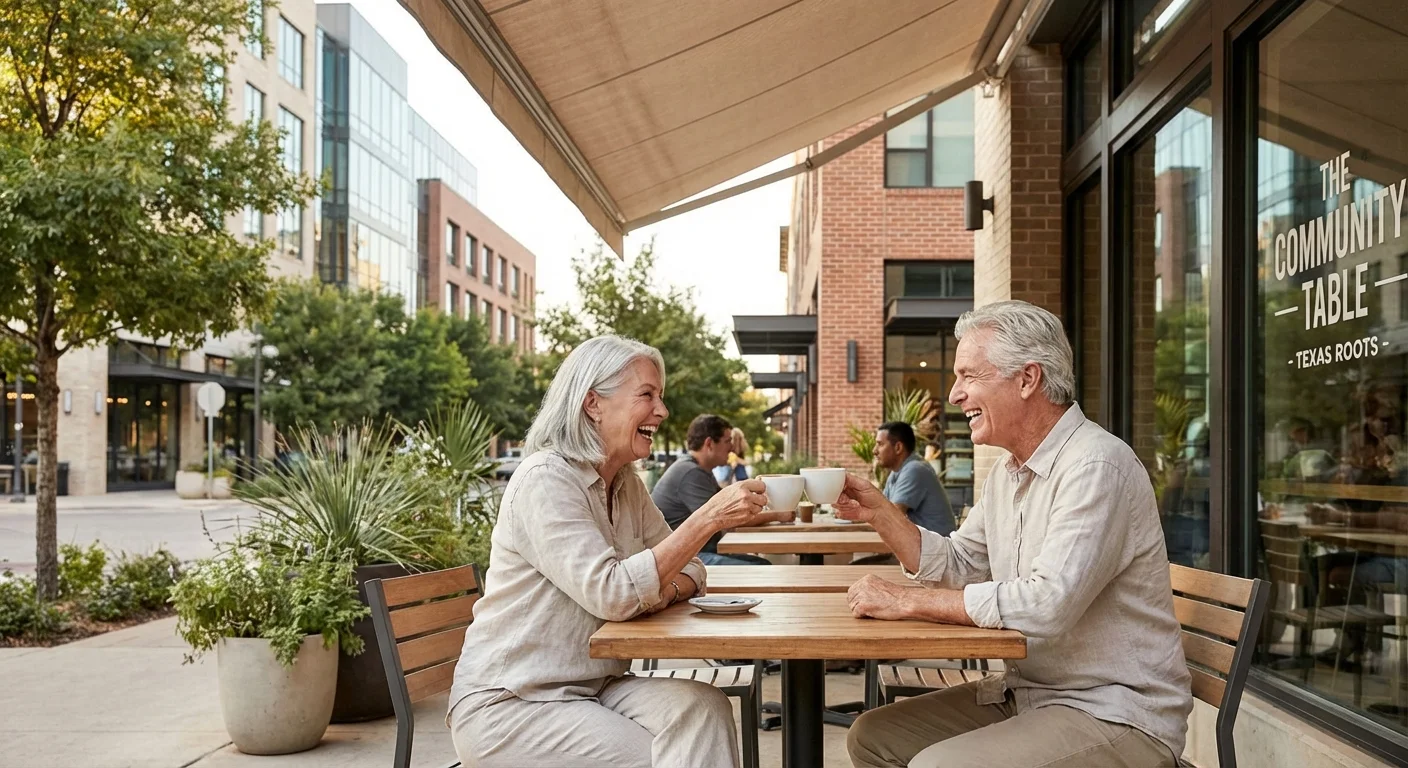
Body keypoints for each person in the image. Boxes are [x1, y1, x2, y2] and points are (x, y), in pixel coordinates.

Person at [838, 301, 1190, 768]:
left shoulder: (1096, 466)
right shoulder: (1009, 473)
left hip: (1116, 711)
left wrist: (908, 601)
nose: (954, 394)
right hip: (1029, 692)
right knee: (873, 737)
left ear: (1027, 379)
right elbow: (961, 566)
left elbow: (1047, 604)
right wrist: (881, 513)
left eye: (969, 376)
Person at [447, 335, 772, 768]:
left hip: (593, 685)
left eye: (661, 396)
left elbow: (693, 568)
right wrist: (708, 518)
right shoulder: (546, 480)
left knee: (703, 707)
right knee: (665, 757)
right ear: (592, 404)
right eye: (647, 395)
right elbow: (615, 595)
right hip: (513, 702)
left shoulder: (625, 482)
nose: (662, 410)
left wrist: (654, 588)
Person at [655, 415, 791, 566]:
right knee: (760, 568)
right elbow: (730, 517)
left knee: (762, 564)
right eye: (727, 441)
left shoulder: (699, 470)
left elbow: (733, 505)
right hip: (683, 560)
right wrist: (778, 514)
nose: (732, 447)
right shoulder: (691, 473)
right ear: (709, 444)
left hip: (697, 553)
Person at [875, 420, 957, 535]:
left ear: (898, 447)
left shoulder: (915, 470)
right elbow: (882, 511)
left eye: (880, 444)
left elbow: (891, 517)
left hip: (938, 549)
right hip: (922, 546)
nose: (875, 451)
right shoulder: (897, 472)